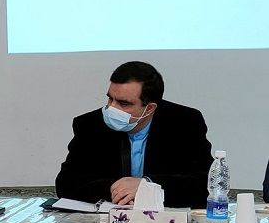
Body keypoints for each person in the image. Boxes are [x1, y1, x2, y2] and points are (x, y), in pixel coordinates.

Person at [55, 61, 213, 208]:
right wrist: (118, 190)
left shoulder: (185, 122)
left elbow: (206, 184)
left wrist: (148, 187)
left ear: (149, 108)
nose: (112, 108)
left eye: (123, 103)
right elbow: (66, 183)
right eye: (110, 99)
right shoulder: (91, 124)